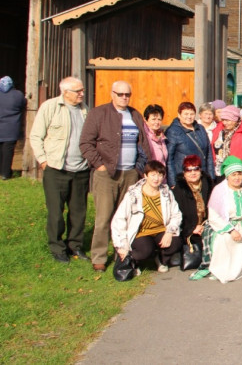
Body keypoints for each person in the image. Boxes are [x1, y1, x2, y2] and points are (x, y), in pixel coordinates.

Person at [80, 81, 151, 272]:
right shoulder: (98, 113)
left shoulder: (135, 114)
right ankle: (99, 257)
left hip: (130, 174)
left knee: (126, 216)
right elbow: (86, 143)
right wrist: (100, 165)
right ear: (112, 94)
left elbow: (143, 144)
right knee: (104, 217)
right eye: (120, 94)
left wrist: (140, 168)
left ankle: (123, 253)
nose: (124, 97)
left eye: (127, 94)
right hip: (107, 174)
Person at [29, 77, 89, 263]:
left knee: (78, 211)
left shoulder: (85, 110)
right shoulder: (50, 107)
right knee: (56, 212)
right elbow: (36, 136)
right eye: (77, 91)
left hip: (81, 170)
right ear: (65, 92)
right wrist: (43, 161)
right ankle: (57, 247)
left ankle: (75, 246)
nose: (81, 93)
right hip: (57, 169)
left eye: (82, 90)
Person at [111, 161, 182, 275]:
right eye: (153, 175)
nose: (156, 179)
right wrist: (121, 245)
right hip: (141, 232)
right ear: (145, 176)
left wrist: (169, 232)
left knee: (176, 242)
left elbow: (176, 214)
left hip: (160, 230)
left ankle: (161, 259)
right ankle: (133, 260)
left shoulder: (166, 192)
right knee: (145, 251)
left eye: (160, 175)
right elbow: (119, 219)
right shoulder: (133, 194)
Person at [190, 156, 242, 283]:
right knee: (223, 240)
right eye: (233, 174)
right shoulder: (220, 190)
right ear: (227, 176)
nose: (237, 178)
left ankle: (236, 269)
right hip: (225, 224)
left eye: (239, 174)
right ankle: (219, 270)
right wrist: (230, 230)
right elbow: (214, 216)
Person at [172, 154, 213, 259]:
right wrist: (192, 229)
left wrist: (206, 226)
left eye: (196, 169)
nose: (193, 173)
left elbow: (214, 210)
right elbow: (177, 216)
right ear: (184, 173)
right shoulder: (178, 190)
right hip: (189, 230)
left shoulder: (209, 185)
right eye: (188, 170)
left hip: (207, 226)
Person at [166, 102, 214, 188]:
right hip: (183, 177)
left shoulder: (200, 129)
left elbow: (209, 154)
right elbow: (169, 159)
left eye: (192, 114)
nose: (189, 116)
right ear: (179, 115)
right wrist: (172, 182)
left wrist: (211, 177)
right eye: (186, 114)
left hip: (201, 176)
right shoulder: (173, 131)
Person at [211, 105, 242, 182]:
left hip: (236, 174)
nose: (225, 123)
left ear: (235, 119)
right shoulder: (219, 129)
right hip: (219, 173)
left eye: (228, 120)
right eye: (223, 120)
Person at [0, 76, 26, 179]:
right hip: (11, 128)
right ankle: (5, 173)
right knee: (8, 151)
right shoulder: (18, 95)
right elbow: (23, 104)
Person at [142, 104, 168, 171]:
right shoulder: (144, 136)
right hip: (150, 176)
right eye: (153, 119)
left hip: (161, 175)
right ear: (145, 120)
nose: (157, 122)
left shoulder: (161, 136)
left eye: (159, 119)